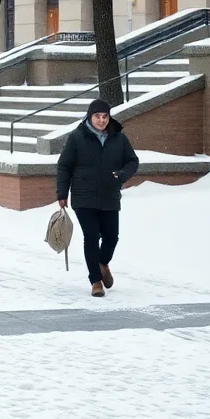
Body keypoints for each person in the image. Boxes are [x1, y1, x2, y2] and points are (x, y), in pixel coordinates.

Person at [56, 99, 140, 298]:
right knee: (92, 237)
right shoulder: (77, 137)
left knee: (111, 237)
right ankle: (95, 281)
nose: (101, 120)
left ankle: (102, 262)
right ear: (89, 116)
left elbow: (132, 161)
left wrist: (122, 175)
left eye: (105, 116)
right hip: (83, 197)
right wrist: (62, 193)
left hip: (109, 195)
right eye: (97, 116)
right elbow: (64, 166)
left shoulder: (118, 137)